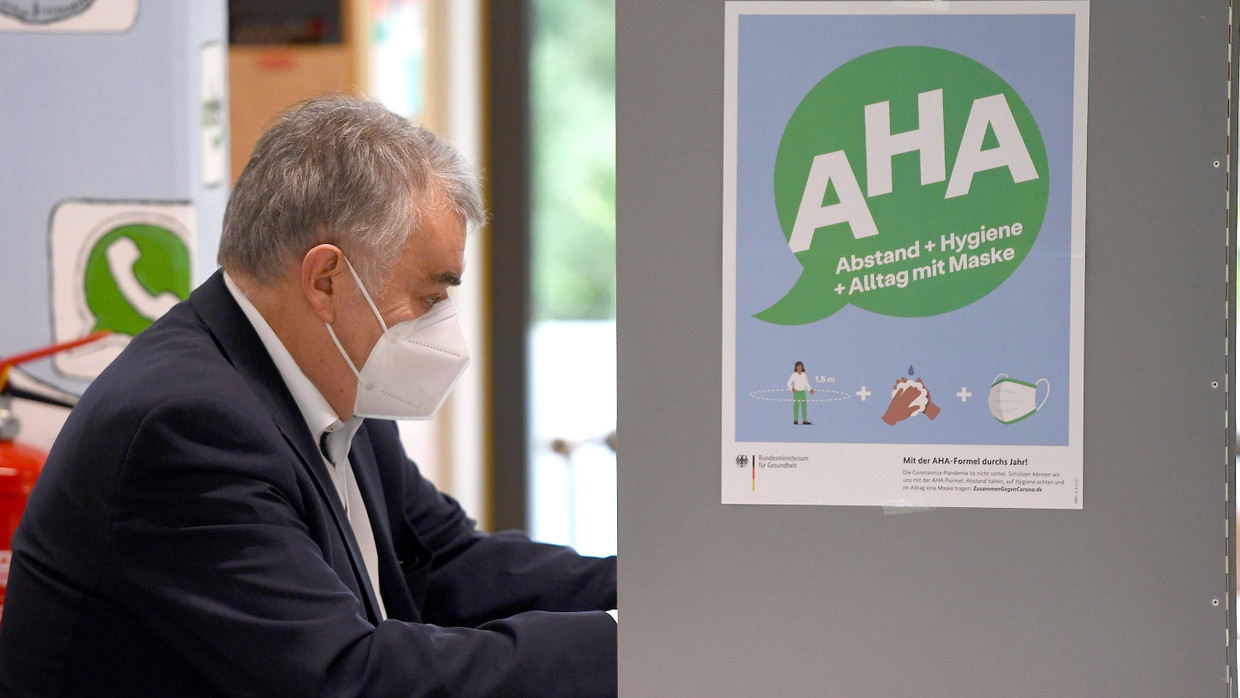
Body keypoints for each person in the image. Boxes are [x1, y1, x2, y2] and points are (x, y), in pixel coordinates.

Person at [0, 95, 617, 697]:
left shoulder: (337, 379)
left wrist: (645, 595)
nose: (443, 326)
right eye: (430, 296)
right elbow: (345, 676)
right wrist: (620, 644)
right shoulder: (187, 428)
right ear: (326, 280)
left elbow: (442, 564)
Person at [787, 360, 815, 425]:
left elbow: (806, 383)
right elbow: (788, 383)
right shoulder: (794, 375)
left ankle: (804, 420)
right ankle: (796, 419)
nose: (799, 368)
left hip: (803, 392)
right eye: (798, 367)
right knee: (796, 406)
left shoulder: (804, 375)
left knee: (804, 406)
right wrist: (792, 388)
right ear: (796, 367)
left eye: (800, 367)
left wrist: (810, 389)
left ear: (802, 367)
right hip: (796, 392)